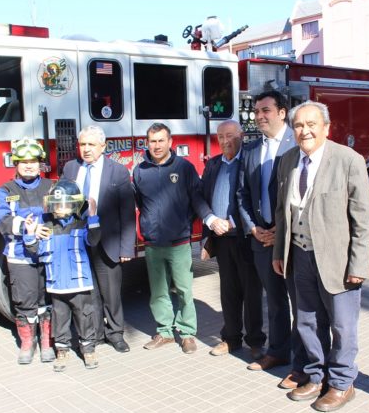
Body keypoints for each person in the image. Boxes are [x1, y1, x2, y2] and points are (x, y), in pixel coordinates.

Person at [272, 101, 369, 412]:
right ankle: (316, 376)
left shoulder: (348, 160)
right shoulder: (287, 160)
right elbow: (282, 211)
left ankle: (342, 383)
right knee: (306, 321)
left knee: (342, 325)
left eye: (312, 124)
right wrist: (279, 251)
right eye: (299, 125)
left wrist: (359, 263)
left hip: (338, 261)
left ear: (327, 128)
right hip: (299, 257)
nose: (305, 131)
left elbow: (363, 217)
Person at [237, 90, 307, 389]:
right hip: (261, 239)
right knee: (276, 302)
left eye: (265, 110)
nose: (259, 116)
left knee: (303, 303)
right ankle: (278, 352)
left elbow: (305, 191)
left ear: (282, 112)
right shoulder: (251, 150)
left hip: (292, 238)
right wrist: (253, 228)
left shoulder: (299, 144)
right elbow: (242, 194)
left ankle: (305, 362)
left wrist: (282, 229)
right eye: (256, 111)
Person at [132, 123, 213, 354]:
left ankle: (187, 333)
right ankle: (165, 332)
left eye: (160, 140)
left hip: (179, 241)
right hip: (153, 243)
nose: (156, 146)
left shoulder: (184, 168)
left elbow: (195, 198)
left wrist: (199, 220)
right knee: (158, 292)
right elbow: (140, 203)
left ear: (170, 142)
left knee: (185, 290)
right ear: (147, 143)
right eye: (152, 141)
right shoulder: (140, 171)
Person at [62, 126, 136, 353]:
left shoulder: (118, 171)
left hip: (108, 242)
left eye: (91, 145)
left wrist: (126, 248)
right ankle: (94, 334)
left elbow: (127, 212)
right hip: (79, 242)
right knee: (88, 292)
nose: (85, 149)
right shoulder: (71, 168)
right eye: (82, 144)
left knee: (111, 293)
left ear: (103, 147)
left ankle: (116, 334)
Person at [200, 120, 265, 358]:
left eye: (230, 135)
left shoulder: (249, 161)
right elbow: (200, 196)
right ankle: (231, 338)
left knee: (252, 292)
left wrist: (234, 222)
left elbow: (255, 197)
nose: (225, 141)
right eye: (220, 137)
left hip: (246, 237)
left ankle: (256, 341)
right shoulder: (214, 164)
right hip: (222, 239)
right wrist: (210, 219)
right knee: (228, 291)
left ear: (241, 136)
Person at [24, 179, 103, 372]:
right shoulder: (47, 227)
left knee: (84, 316)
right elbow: (35, 249)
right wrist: (29, 234)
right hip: (56, 285)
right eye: (56, 204)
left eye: (65, 204)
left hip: (79, 285)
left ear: (74, 204)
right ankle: (62, 350)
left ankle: (88, 349)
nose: (59, 208)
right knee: (60, 318)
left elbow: (94, 240)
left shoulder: (81, 224)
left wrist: (93, 217)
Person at [0, 138, 54, 364]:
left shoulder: (51, 187)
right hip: (20, 255)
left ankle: (47, 342)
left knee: (46, 300)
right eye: (23, 161)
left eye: (33, 161)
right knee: (24, 301)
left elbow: (61, 216)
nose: (29, 165)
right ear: (16, 164)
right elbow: (2, 218)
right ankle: (28, 343)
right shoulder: (6, 190)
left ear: (41, 164)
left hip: (47, 254)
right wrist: (26, 227)